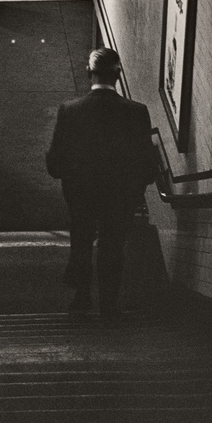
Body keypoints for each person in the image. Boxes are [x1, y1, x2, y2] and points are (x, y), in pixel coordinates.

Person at [46, 48, 157, 319]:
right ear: (119, 74)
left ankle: (82, 296)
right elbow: (146, 157)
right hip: (121, 191)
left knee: (82, 238)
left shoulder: (70, 110)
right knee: (113, 242)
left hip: (80, 189)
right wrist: (140, 183)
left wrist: (62, 173)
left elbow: (56, 155)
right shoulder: (137, 111)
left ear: (89, 72)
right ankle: (109, 302)